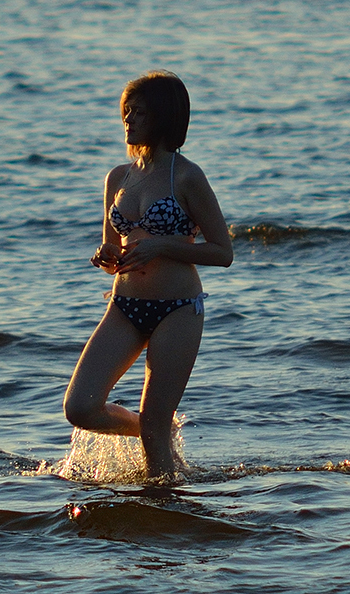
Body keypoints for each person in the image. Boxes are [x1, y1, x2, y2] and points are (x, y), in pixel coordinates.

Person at [63, 71, 233, 479]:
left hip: (178, 309)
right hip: (124, 307)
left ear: (163, 118)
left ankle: (165, 504)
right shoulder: (118, 177)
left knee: (156, 433)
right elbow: (113, 247)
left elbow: (222, 252)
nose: (129, 120)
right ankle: (154, 431)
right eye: (127, 111)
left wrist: (163, 246)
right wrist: (106, 256)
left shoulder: (187, 176)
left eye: (139, 112)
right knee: (80, 408)